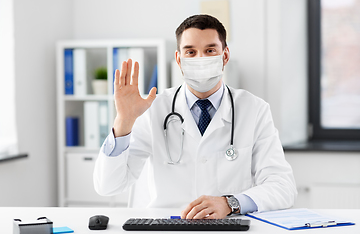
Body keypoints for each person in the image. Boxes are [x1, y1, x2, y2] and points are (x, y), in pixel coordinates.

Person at [94, 14, 297, 219]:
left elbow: (282, 187)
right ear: (178, 59)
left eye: (210, 50)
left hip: (228, 225)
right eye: (190, 52)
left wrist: (230, 203)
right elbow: (108, 186)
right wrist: (123, 122)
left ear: (225, 56)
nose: (200, 59)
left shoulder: (254, 109)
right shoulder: (154, 109)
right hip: (167, 226)